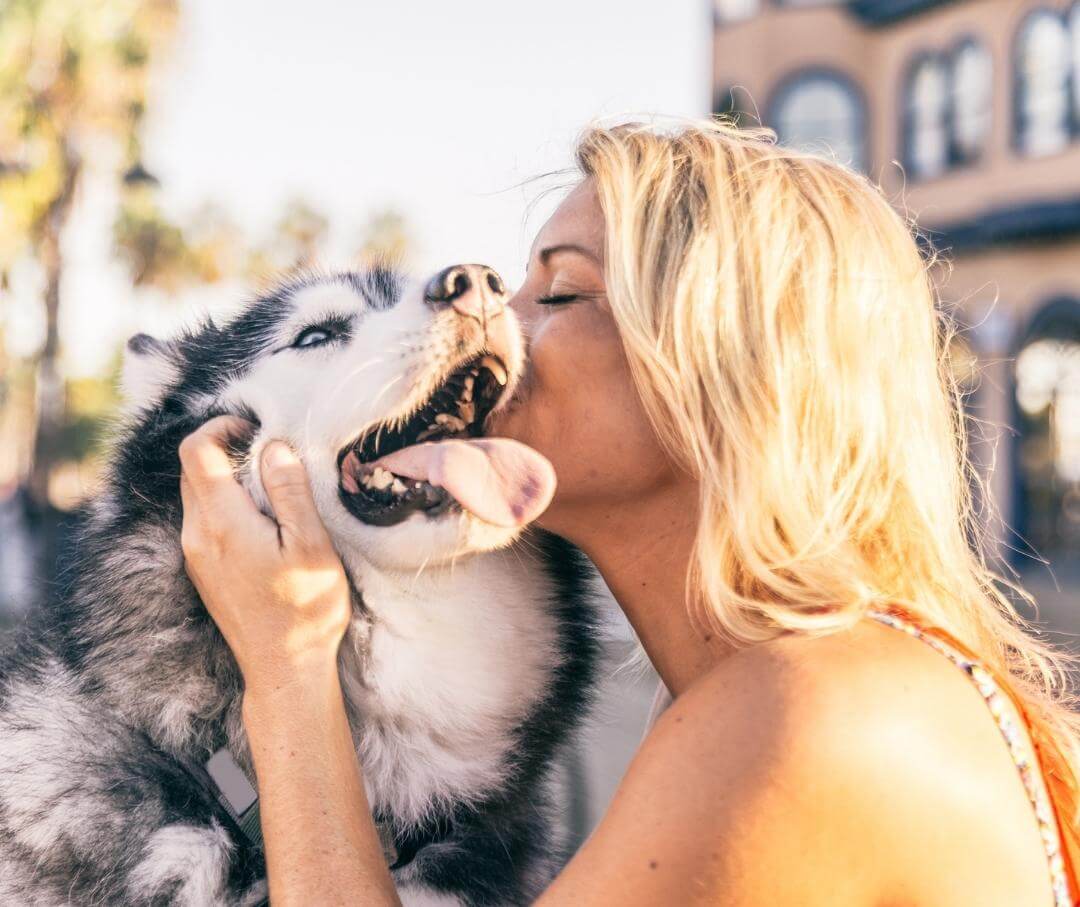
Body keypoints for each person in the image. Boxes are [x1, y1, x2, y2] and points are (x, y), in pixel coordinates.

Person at [178, 119, 1080, 905]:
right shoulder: (817, 676)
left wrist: (288, 670)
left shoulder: (805, 711)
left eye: (560, 294)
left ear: (729, 376)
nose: (494, 309)